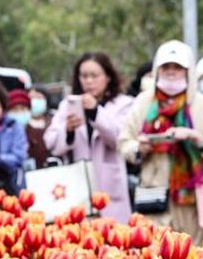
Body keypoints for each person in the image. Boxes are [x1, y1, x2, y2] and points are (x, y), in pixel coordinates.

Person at [118, 40, 203, 242]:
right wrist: (139, 148)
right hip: (155, 198)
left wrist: (197, 139)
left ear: (188, 71)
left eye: (177, 67)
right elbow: (124, 142)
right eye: (166, 67)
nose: (171, 72)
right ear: (156, 70)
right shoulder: (143, 103)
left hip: (198, 204)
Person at [45, 52, 136, 222]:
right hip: (76, 189)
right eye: (84, 76)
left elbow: (119, 139)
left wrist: (96, 113)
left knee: (115, 241)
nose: (88, 81)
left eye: (94, 75)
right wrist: (69, 131)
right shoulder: (68, 105)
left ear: (108, 77)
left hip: (110, 189)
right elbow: (51, 142)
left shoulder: (124, 104)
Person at [8, 89, 49, 169]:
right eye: (15, 110)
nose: (19, 113)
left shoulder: (39, 134)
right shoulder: (4, 135)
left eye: (23, 109)